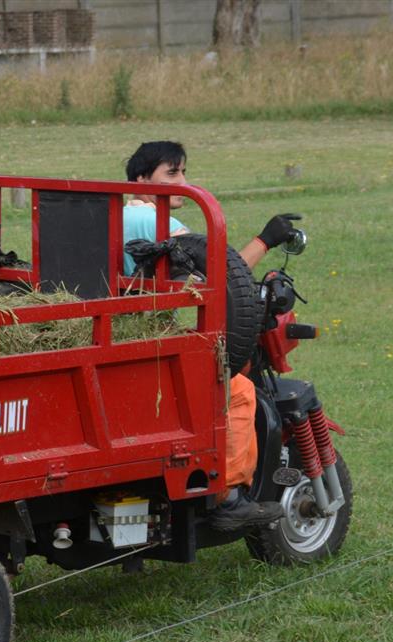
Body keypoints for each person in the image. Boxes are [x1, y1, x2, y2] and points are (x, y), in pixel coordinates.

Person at [124, 140, 298, 530]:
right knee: (238, 391)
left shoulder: (113, 213)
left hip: (122, 331)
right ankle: (229, 497)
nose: (183, 181)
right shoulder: (152, 218)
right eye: (172, 173)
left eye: (183, 172)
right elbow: (224, 274)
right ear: (141, 180)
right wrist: (266, 240)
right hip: (144, 340)